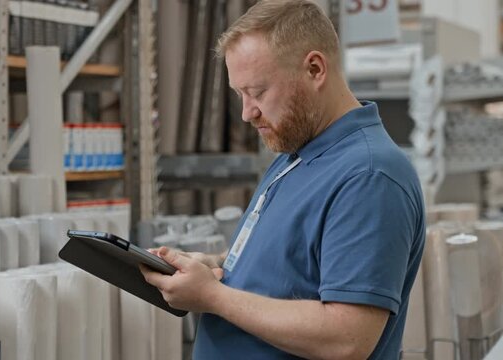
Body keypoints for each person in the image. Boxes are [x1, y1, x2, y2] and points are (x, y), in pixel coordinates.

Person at [140, 0, 426, 358]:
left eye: (258, 92)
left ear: (315, 69)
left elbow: (347, 338)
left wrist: (213, 297)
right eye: (240, 94)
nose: (247, 113)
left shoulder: (368, 175)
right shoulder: (297, 154)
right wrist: (212, 265)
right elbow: (282, 266)